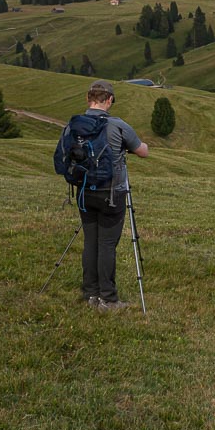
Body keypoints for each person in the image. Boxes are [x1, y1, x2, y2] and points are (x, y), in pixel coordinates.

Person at [77, 79, 148, 310]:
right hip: (111, 193)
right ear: (109, 100)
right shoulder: (117, 125)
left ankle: (90, 294)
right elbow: (143, 151)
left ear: (89, 99)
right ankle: (108, 298)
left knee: (90, 242)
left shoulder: (76, 125)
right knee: (107, 244)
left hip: (84, 191)